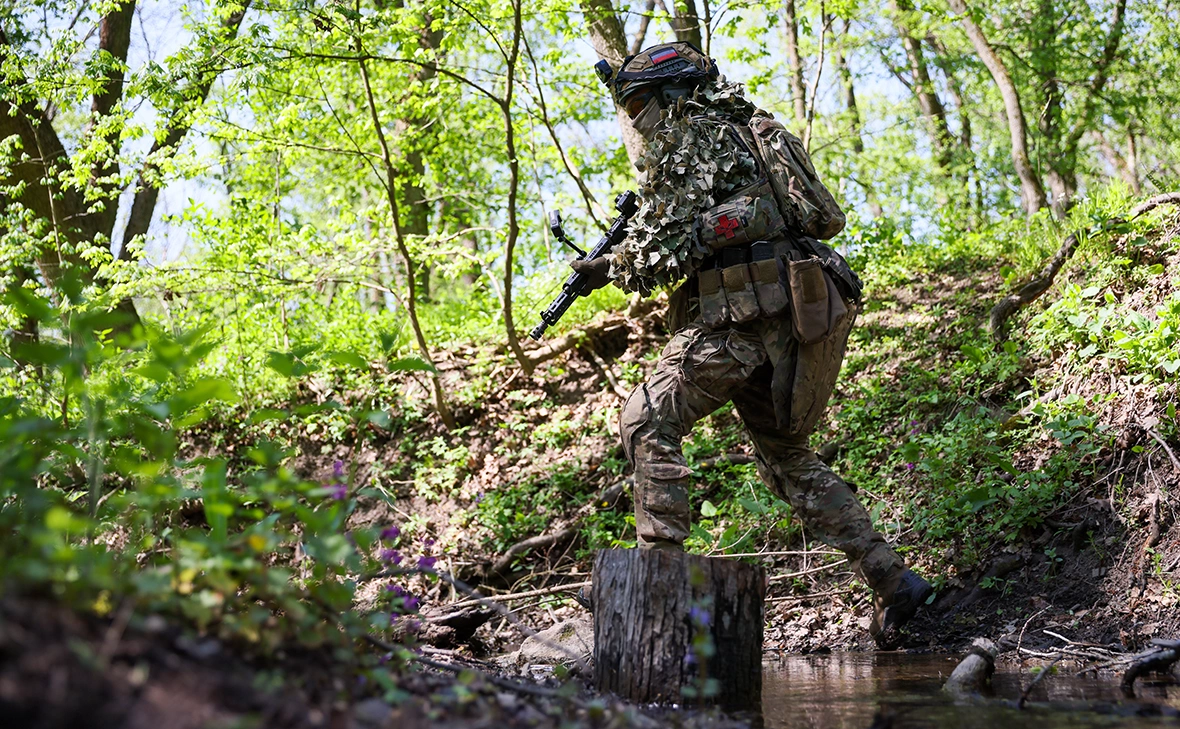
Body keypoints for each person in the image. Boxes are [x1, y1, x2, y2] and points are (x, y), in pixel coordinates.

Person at [572, 42, 931, 647]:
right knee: (786, 458)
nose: (637, 119)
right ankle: (892, 578)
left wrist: (608, 267)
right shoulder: (752, 130)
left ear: (673, 94)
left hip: (741, 318)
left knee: (645, 417)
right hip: (786, 318)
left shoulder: (695, 140)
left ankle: (659, 573)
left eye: (638, 103)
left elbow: (668, 248)